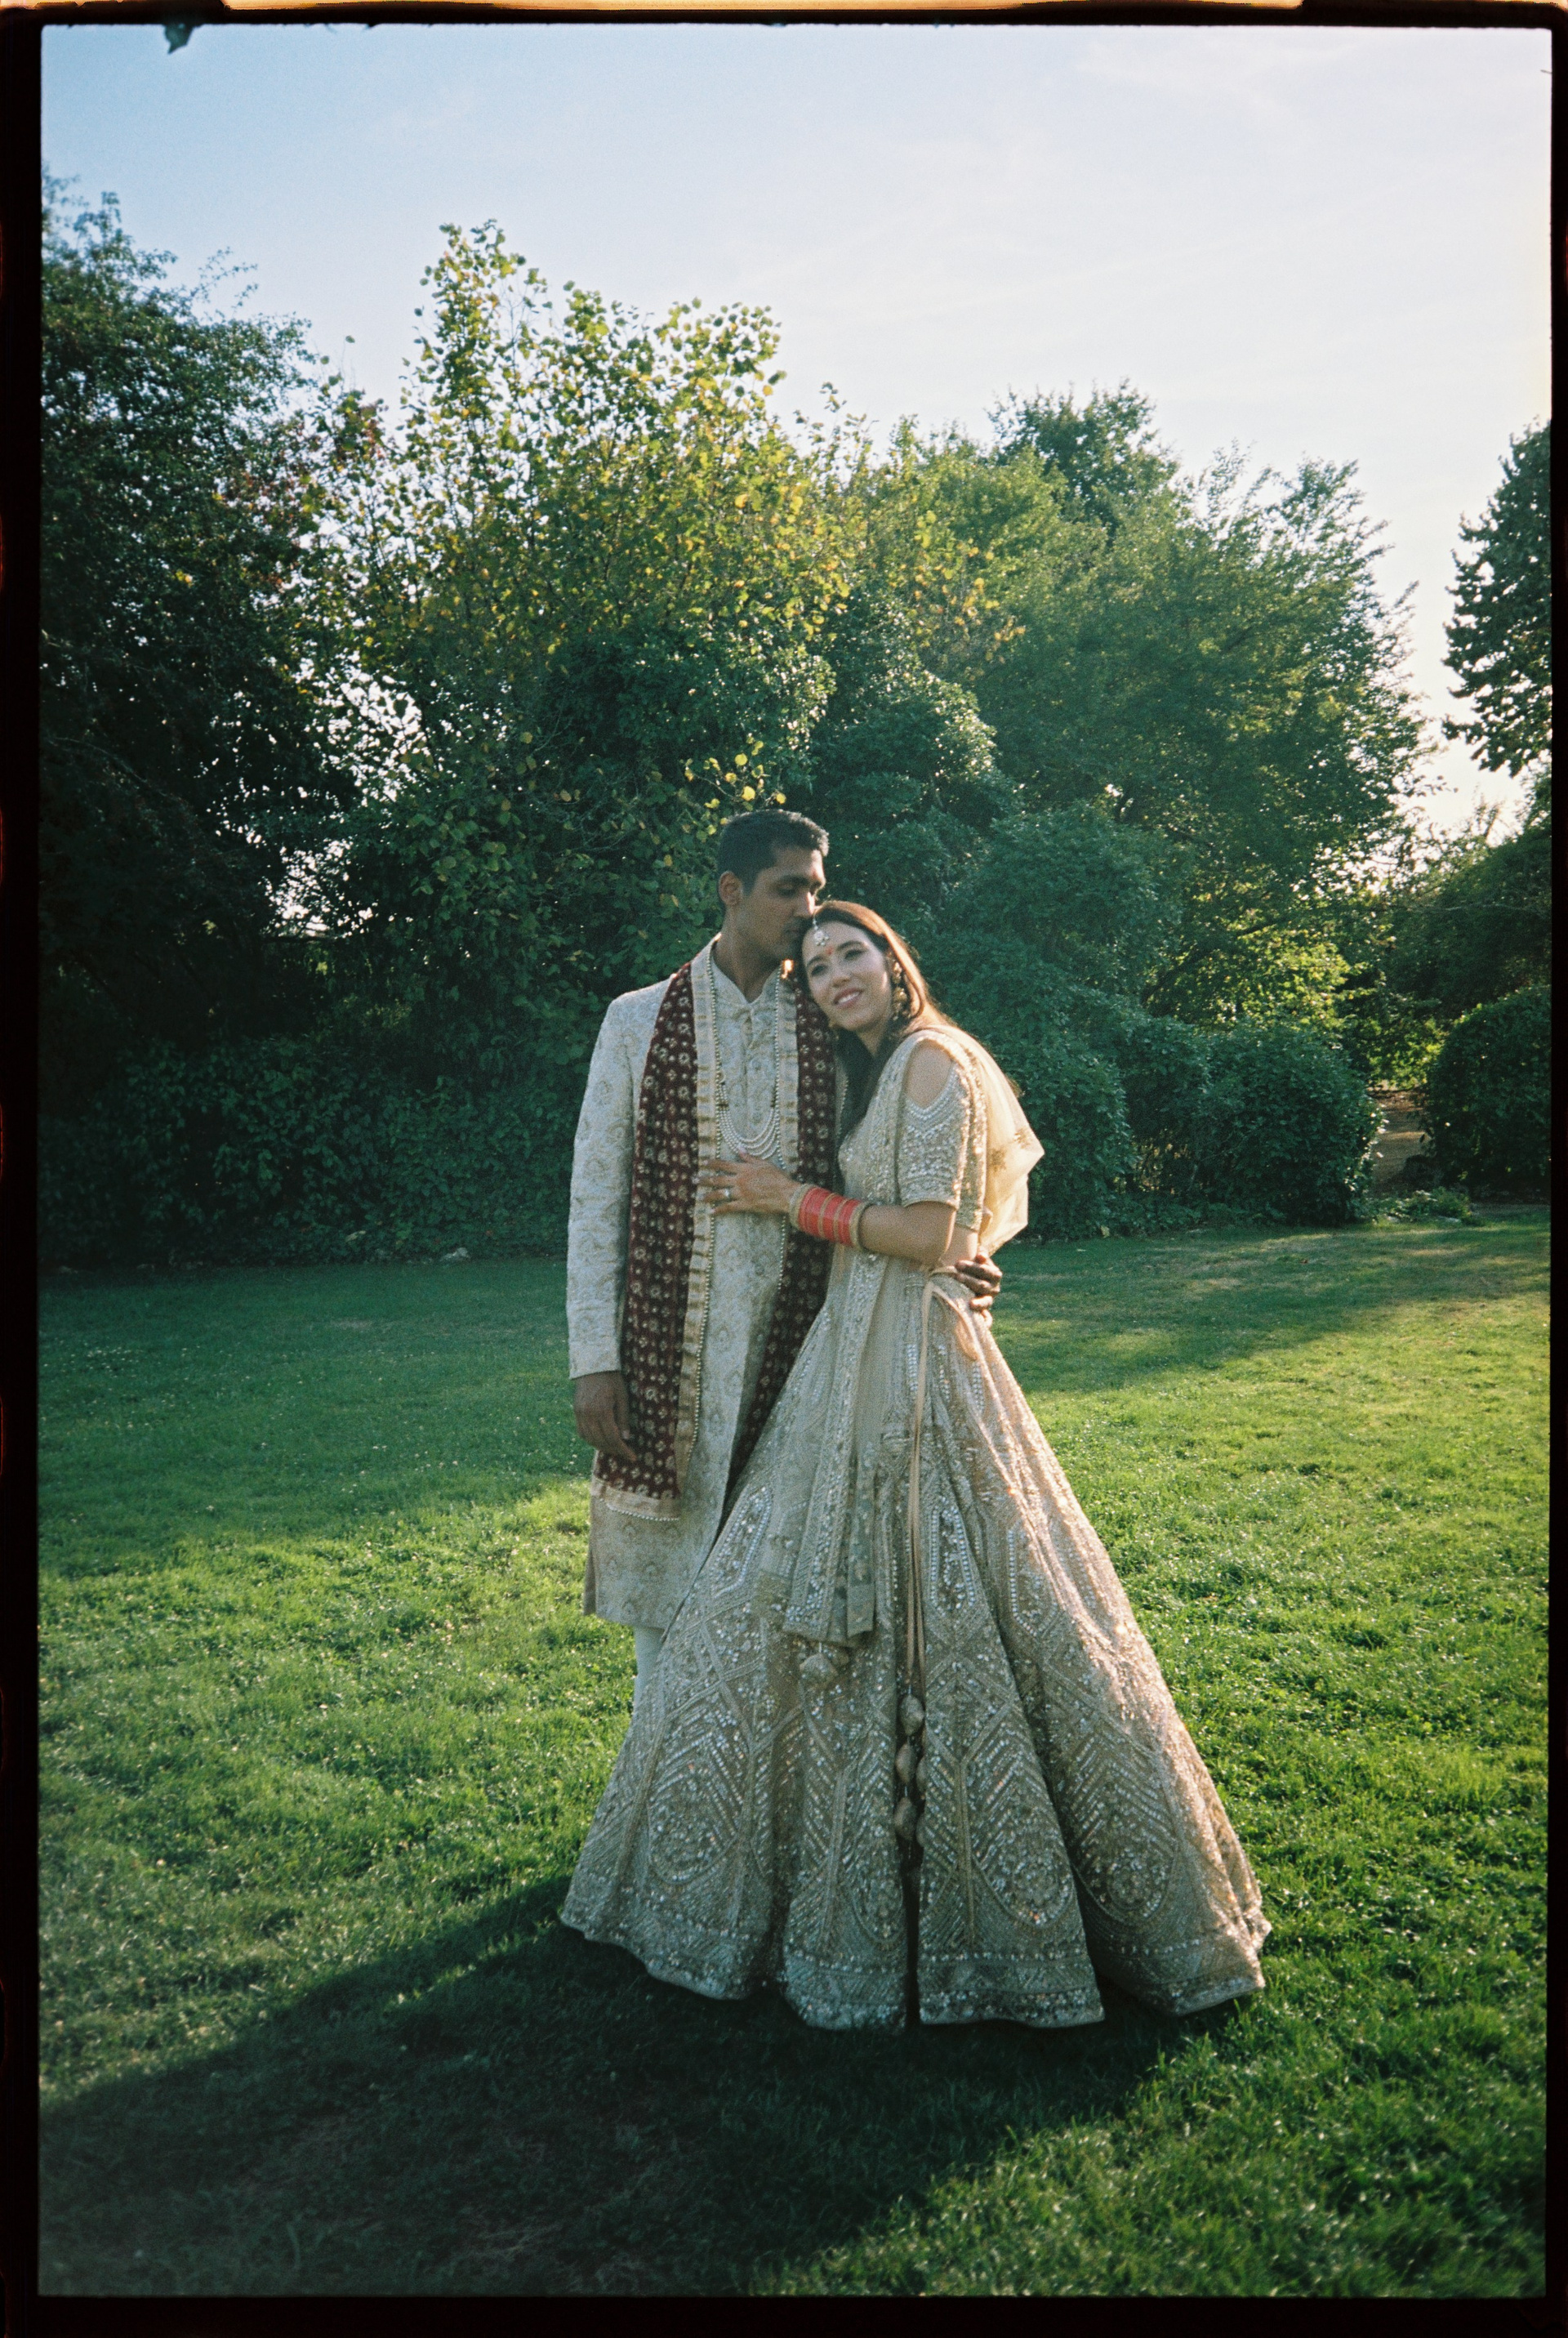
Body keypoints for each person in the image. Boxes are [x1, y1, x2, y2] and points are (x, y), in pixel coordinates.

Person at [562, 904, 1270, 2030]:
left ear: (897, 963)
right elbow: (943, 1229)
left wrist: (789, 1199)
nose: (835, 975)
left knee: (961, 1589)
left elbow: (935, 1231)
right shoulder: (879, 1066)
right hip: (855, 1347)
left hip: (914, 1364)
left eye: (853, 953)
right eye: (817, 965)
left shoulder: (933, 1058)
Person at [566, 814, 1000, 1715]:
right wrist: (594, 1361)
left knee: (774, 1595)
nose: (808, 908)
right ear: (733, 891)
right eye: (788, 888)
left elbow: (906, 1161)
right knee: (665, 1597)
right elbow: (596, 1198)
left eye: (817, 887)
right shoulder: (638, 1020)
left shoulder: (832, 1022)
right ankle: (656, 1773)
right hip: (669, 1355)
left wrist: (962, 1253)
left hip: (812, 1350)